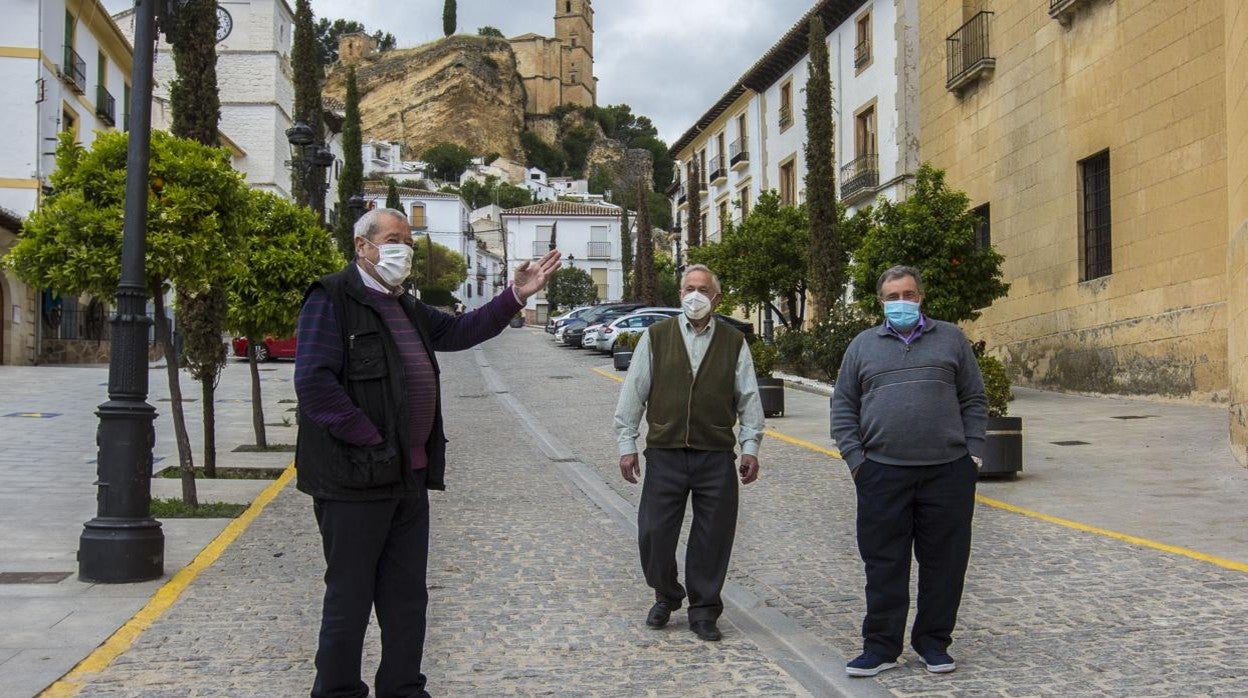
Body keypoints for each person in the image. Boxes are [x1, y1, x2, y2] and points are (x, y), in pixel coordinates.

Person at [294, 208, 559, 697]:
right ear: (362, 246)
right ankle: (336, 691)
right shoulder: (331, 297)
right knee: (349, 599)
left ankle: (403, 688)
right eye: (394, 239)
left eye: (410, 242)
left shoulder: (405, 305)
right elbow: (314, 383)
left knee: (406, 598)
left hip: (408, 477)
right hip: (353, 480)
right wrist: (372, 438)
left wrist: (515, 296)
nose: (405, 250)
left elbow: (460, 331)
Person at [831, 265, 986, 677]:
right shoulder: (862, 346)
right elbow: (843, 406)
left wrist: (972, 454)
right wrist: (856, 462)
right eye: (893, 297)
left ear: (922, 297)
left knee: (945, 563)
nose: (902, 303)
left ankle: (934, 643)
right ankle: (880, 647)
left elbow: (974, 398)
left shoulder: (951, 338)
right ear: (880, 302)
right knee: (884, 564)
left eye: (909, 295)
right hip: (882, 473)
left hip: (947, 473)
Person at [613, 264, 764, 642]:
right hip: (664, 452)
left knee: (713, 537)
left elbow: (749, 399)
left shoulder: (733, 341)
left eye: (702, 289)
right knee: (653, 533)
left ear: (716, 298)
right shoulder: (656, 336)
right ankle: (666, 593)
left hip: (715, 454)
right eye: (688, 288)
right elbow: (634, 392)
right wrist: (626, 444)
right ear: (680, 294)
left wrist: (750, 447)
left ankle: (704, 610)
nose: (694, 295)